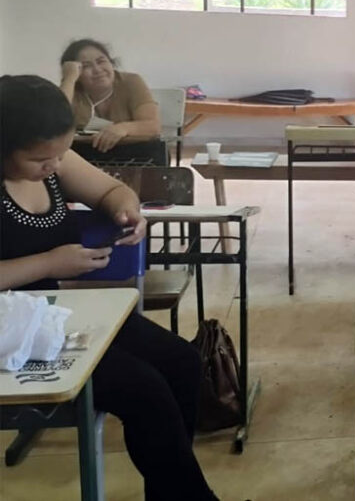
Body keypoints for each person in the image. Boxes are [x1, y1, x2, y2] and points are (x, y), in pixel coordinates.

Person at [0, 75, 219, 501]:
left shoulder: (54, 159)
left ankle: (171, 491)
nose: (54, 165)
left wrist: (126, 211)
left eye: (61, 153)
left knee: (182, 362)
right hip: (12, 333)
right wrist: (48, 263)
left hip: (56, 314)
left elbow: (112, 190)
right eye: (40, 159)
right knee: (145, 391)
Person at [58, 38, 165, 165]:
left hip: (133, 155)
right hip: (84, 157)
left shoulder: (131, 82)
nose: (97, 70)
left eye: (101, 61)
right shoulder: (71, 89)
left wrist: (123, 128)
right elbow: (53, 123)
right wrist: (69, 79)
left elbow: (153, 126)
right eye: (86, 66)